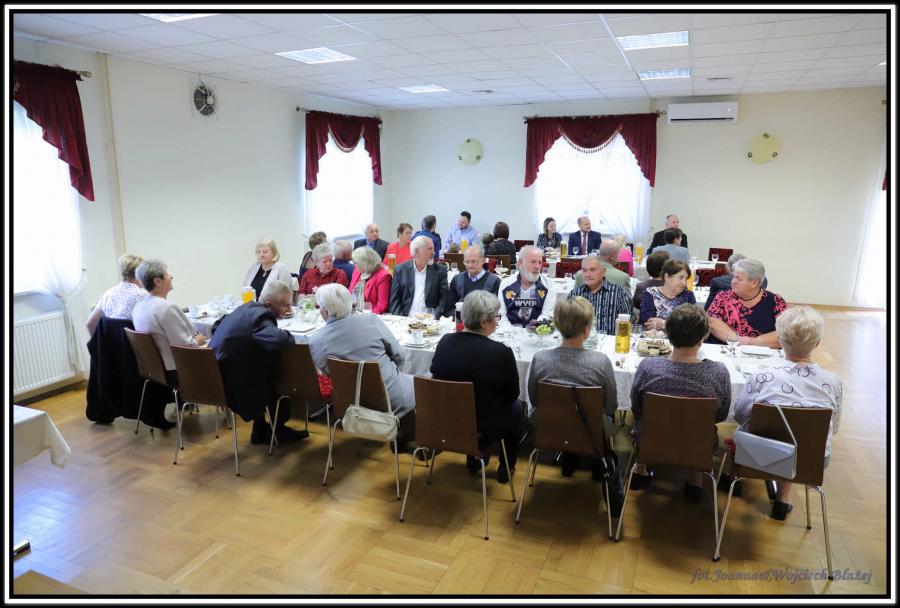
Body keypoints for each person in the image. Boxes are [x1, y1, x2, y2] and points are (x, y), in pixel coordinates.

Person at [732, 306, 842, 520]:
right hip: (811, 460)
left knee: (760, 434)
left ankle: (734, 479)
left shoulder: (763, 376)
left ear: (780, 341)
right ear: (817, 343)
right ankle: (782, 500)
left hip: (761, 453)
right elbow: (834, 426)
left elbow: (740, 414)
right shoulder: (832, 382)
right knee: (797, 438)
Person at [629, 304, 731, 503]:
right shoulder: (718, 372)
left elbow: (637, 407)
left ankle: (640, 469)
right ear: (703, 337)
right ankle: (695, 479)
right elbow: (720, 416)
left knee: (642, 422)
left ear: (667, 333)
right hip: (697, 444)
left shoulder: (648, 366)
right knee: (701, 428)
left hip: (652, 439)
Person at [430, 290, 524, 483]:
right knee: (518, 407)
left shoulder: (445, 342)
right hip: (485, 423)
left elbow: (436, 374)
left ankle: (476, 455)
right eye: (496, 317)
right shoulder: (501, 353)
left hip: (447, 419)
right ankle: (507, 465)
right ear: (483, 323)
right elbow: (513, 394)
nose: (497, 321)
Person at [308, 283, 416, 448]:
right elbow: (400, 355)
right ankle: (409, 434)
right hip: (392, 400)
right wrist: (393, 372)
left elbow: (327, 373)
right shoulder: (370, 320)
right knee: (421, 382)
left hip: (350, 404)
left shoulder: (316, 340)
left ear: (325, 312)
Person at [527, 296, 617, 477]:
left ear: (557, 325)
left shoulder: (540, 359)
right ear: (586, 329)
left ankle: (570, 455)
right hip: (591, 427)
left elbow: (535, 399)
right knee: (605, 416)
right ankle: (596, 458)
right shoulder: (601, 362)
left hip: (551, 424)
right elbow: (611, 406)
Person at [209, 280, 307, 445]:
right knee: (278, 369)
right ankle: (277, 429)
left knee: (263, 360)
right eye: (286, 305)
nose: (289, 310)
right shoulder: (261, 316)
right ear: (269, 305)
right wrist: (288, 335)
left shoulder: (245, 308)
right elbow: (280, 340)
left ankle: (261, 429)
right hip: (233, 384)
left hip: (217, 375)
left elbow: (215, 326)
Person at [132, 259, 208, 382]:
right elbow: (186, 346)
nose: (171, 276)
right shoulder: (167, 308)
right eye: (167, 274)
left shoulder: (138, 308)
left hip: (155, 369)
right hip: (177, 370)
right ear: (157, 281)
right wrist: (198, 340)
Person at [706, 258, 787, 347]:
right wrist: (737, 340)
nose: (733, 282)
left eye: (738, 279)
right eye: (733, 277)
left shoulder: (776, 301)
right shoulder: (723, 297)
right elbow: (713, 322)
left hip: (762, 353)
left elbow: (786, 332)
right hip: (727, 350)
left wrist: (752, 341)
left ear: (754, 283)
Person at [388, 235, 450, 318]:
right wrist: (401, 320)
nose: (433, 252)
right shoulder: (400, 270)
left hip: (430, 321)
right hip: (406, 319)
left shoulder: (440, 271)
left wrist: (434, 316)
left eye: (433, 249)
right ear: (417, 251)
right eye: (430, 249)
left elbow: (444, 299)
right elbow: (395, 301)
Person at [86, 254, 147, 336]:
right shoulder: (143, 295)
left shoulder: (108, 293)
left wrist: (99, 343)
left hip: (111, 343)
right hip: (133, 343)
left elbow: (90, 324)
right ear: (141, 273)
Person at [568, 255, 631, 334]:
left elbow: (626, 325)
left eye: (592, 270)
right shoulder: (575, 294)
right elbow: (568, 324)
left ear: (603, 272)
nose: (588, 274)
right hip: (582, 340)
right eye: (584, 270)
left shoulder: (618, 294)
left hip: (610, 341)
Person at [498, 245, 557, 327]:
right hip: (509, 331)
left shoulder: (549, 285)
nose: (537, 267)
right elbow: (501, 315)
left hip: (537, 332)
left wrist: (534, 327)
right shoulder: (506, 284)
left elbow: (547, 315)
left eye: (540, 262)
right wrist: (511, 331)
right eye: (533, 262)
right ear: (520, 263)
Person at [639, 259, 697, 331]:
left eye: (686, 279)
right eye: (680, 278)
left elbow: (694, 323)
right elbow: (648, 322)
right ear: (667, 277)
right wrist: (678, 324)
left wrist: (664, 324)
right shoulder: (651, 293)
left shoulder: (688, 295)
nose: (684, 283)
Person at [445, 243, 501, 315]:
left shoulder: (495, 281)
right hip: (462, 320)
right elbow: (450, 308)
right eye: (467, 262)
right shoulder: (457, 280)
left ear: (483, 261)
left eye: (474, 261)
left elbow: (499, 309)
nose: (470, 265)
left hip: (485, 320)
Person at [348, 245, 392, 314]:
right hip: (353, 312)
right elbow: (349, 293)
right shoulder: (357, 271)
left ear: (364, 264)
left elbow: (382, 306)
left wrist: (364, 316)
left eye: (355, 263)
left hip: (371, 314)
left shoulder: (383, 276)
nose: (354, 265)